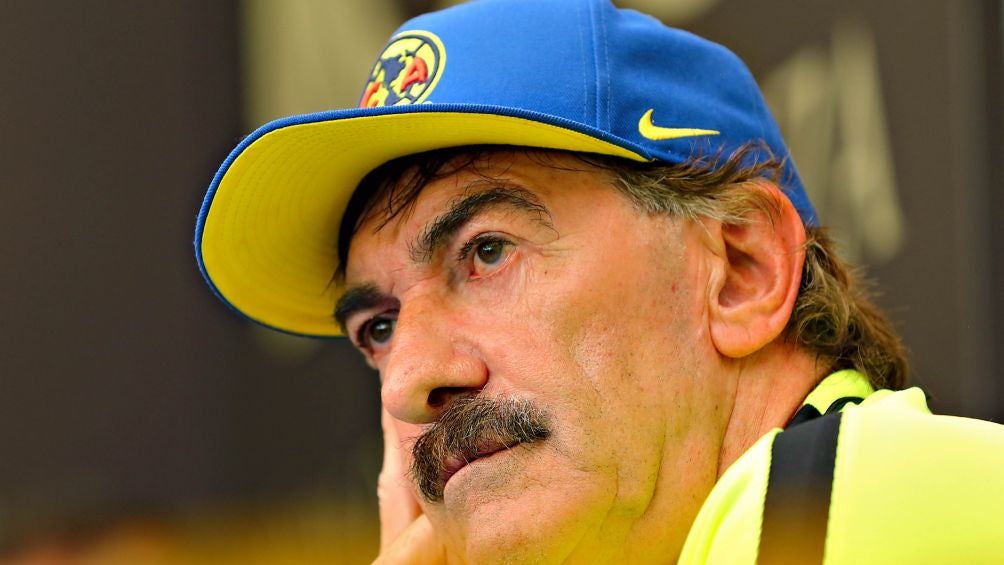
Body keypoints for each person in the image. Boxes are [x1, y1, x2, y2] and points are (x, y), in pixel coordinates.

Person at [194, 0, 1004, 563]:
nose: (408, 381)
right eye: (379, 328)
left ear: (741, 272)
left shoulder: (877, 501)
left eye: (487, 251)